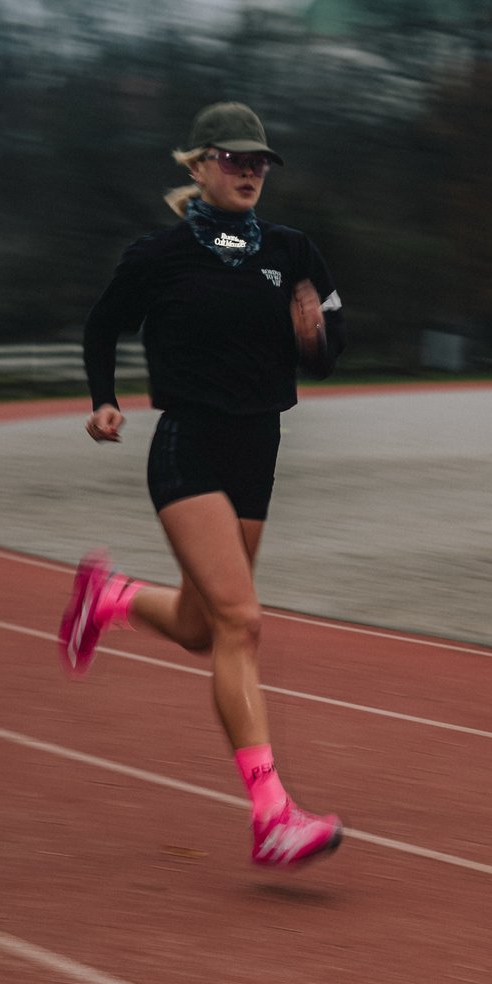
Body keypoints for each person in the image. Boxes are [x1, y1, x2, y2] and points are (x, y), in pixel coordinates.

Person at [58, 101, 347, 867]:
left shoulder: (293, 250)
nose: (250, 170)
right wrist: (103, 400)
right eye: (234, 158)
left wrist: (315, 332)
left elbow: (327, 351)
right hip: (188, 446)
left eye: (260, 162)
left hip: (260, 448)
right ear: (198, 165)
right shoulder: (158, 254)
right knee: (242, 624)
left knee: (200, 626)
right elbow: (100, 324)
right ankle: (272, 814)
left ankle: (110, 597)